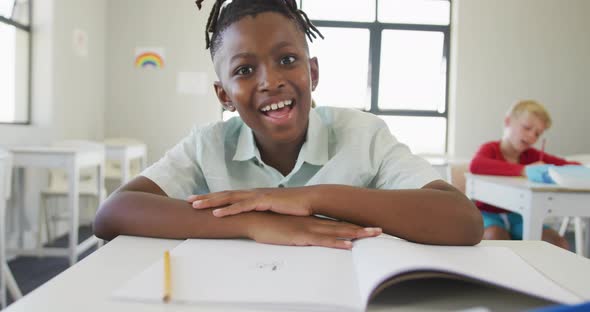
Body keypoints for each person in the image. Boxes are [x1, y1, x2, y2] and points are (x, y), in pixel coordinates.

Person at [94, 0, 482, 249]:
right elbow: (113, 214)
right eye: (245, 69)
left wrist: (307, 199)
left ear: (312, 72)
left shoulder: (362, 135)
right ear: (223, 95)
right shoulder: (208, 145)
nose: (270, 81)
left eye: (287, 60)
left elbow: (462, 221)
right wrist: (253, 224)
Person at [470, 100, 579, 249]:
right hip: (488, 214)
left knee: (558, 243)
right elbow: (476, 165)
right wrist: (523, 170)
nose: (531, 137)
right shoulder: (490, 149)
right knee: (496, 237)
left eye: (537, 134)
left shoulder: (533, 155)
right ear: (508, 122)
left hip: (519, 216)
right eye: (527, 128)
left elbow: (568, 165)